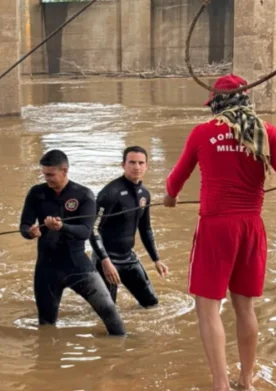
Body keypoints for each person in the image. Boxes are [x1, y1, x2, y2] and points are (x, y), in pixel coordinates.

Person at [163, 74, 276, 391]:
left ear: (216, 103)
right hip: (252, 227)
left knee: (207, 308)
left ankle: (221, 385)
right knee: (245, 308)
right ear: (246, 100)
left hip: (216, 226)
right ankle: (247, 381)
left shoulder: (203, 132)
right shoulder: (266, 132)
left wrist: (169, 198)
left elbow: (175, 181)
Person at [19, 149, 126, 336]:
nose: (47, 179)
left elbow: (85, 231)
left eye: (51, 175)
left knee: (109, 309)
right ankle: (49, 361)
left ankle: (121, 348)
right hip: (46, 269)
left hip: (77, 265)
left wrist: (62, 227)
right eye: (44, 174)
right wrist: (30, 232)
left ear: (64, 170)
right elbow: (24, 225)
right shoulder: (36, 193)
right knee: (46, 325)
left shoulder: (83, 195)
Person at [90, 146, 169, 308]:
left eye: (141, 163)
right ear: (123, 165)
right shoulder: (110, 193)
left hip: (128, 258)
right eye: (132, 162)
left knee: (151, 304)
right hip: (106, 259)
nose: (136, 167)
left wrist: (156, 259)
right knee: (108, 311)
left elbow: (145, 228)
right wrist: (105, 261)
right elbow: (93, 229)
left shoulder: (144, 194)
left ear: (147, 166)